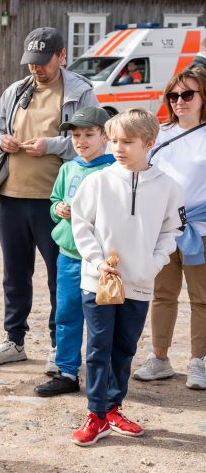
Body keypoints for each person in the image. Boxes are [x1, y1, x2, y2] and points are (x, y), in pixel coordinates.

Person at [0, 27, 100, 369]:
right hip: (12, 197)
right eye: (32, 63)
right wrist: (0, 142)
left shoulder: (80, 91)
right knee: (15, 273)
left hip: (54, 201)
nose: (37, 69)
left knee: (58, 277)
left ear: (62, 56)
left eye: (43, 63)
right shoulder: (16, 90)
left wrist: (51, 145)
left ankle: (57, 346)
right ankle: (13, 339)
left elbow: (90, 141)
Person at [69, 109, 183, 446]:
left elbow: (171, 230)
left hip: (140, 283)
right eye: (114, 140)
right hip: (98, 281)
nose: (118, 147)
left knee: (124, 347)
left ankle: (113, 408)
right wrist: (97, 260)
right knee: (98, 346)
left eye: (127, 142)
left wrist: (153, 263)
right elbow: (81, 224)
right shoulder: (98, 181)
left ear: (148, 143)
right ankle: (95, 413)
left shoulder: (167, 187)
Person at [35, 106, 115, 397]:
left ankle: (102, 373)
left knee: (101, 319)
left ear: (104, 136)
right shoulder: (68, 168)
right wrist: (58, 209)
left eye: (89, 134)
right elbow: (56, 200)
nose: (81, 140)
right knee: (66, 314)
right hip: (68, 254)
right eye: (76, 135)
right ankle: (67, 371)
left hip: (98, 260)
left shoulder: (112, 170)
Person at [134, 67, 206, 389]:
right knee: (162, 295)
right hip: (163, 228)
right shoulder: (158, 135)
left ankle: (199, 361)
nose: (180, 101)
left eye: (188, 94)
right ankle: (159, 357)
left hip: (200, 228)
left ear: (203, 96)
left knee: (202, 298)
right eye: (174, 96)